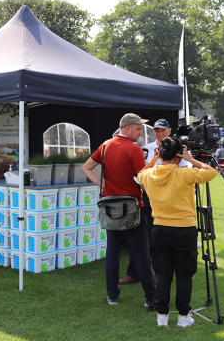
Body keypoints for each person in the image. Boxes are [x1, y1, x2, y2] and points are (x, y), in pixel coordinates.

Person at [137, 137, 217, 327]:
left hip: (160, 229)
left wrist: (154, 159)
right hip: (184, 229)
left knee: (163, 274)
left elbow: (140, 174)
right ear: (178, 155)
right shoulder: (184, 174)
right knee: (184, 275)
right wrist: (191, 159)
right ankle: (183, 317)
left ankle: (162, 316)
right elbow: (211, 172)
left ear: (160, 153)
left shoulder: (149, 175)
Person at [82, 113, 155, 307]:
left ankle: (112, 296)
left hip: (110, 207)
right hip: (133, 209)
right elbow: (143, 179)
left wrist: (102, 185)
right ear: (127, 128)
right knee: (141, 253)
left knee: (112, 252)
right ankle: (150, 298)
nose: (141, 132)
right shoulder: (134, 149)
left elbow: (87, 167)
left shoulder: (105, 146)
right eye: (138, 129)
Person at [119, 119, 188, 285]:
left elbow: (185, 174)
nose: (159, 133)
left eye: (162, 130)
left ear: (169, 131)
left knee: (157, 237)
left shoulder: (178, 149)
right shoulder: (146, 149)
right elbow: (139, 174)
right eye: (156, 130)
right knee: (141, 236)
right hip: (147, 197)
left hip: (169, 199)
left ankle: (159, 273)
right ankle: (134, 272)